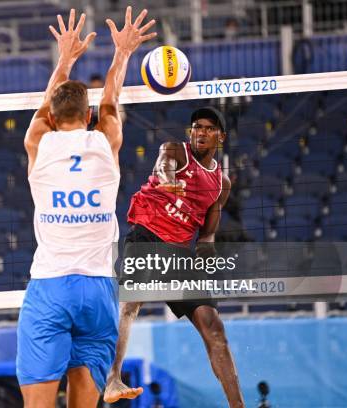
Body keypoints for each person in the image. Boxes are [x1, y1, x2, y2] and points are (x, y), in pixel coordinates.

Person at [16, 7, 156, 407]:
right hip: (97, 291)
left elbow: (46, 111)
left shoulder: (38, 144)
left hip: (51, 286)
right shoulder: (105, 143)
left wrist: (65, 59)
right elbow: (112, 102)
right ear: (89, 116)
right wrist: (122, 53)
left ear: (51, 117)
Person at [104, 107, 245, 407]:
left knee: (213, 326)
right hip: (147, 235)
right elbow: (163, 167)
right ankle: (112, 377)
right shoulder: (175, 150)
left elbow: (207, 232)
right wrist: (169, 180)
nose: (201, 132)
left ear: (221, 136)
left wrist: (207, 249)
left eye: (208, 128)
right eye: (197, 126)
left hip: (179, 253)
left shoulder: (222, 184)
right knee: (129, 305)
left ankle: (238, 405)